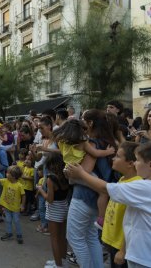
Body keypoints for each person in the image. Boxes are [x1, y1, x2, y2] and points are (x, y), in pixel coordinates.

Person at [66, 142, 151, 268]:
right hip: (134, 251)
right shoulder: (138, 184)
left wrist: (81, 173)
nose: (135, 163)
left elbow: (105, 189)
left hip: (140, 255)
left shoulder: (144, 187)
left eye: (138, 160)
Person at [64, 109, 116, 268]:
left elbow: (83, 172)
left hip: (84, 196)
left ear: (90, 123)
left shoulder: (92, 143)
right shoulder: (107, 142)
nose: (81, 121)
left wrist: (69, 173)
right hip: (97, 198)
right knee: (90, 236)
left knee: (74, 238)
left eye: (83, 119)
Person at [53, 119, 115, 229]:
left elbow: (64, 154)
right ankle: (102, 219)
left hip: (69, 171)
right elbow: (95, 153)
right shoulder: (83, 143)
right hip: (79, 172)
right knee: (104, 191)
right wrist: (108, 152)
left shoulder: (61, 142)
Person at [36, 152, 69, 268]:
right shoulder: (66, 174)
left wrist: (40, 190)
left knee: (54, 238)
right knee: (62, 237)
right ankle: (62, 261)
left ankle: (58, 265)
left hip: (54, 209)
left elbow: (49, 199)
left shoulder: (51, 179)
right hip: (64, 206)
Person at [0, 166, 25, 244]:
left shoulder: (19, 186)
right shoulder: (6, 181)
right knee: (8, 220)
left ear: (13, 176)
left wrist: (22, 205)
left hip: (15, 208)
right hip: (7, 207)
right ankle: (9, 233)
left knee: (16, 221)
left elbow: (23, 195)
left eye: (8, 173)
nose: (6, 174)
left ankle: (19, 235)